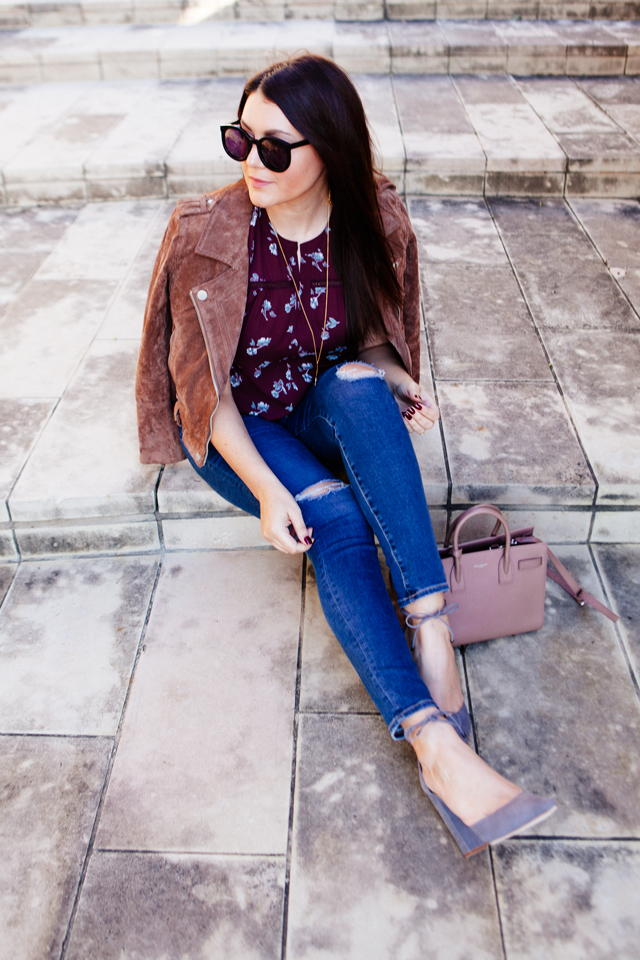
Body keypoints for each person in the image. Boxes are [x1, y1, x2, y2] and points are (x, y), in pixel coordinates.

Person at [135, 53, 555, 857]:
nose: (253, 163)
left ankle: (432, 623)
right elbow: (206, 391)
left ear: (330, 147)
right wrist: (265, 490)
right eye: (240, 141)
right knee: (332, 514)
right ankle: (432, 740)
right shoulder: (207, 235)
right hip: (242, 430)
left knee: (362, 384)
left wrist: (401, 381)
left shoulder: (373, 219)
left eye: (276, 148)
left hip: (318, 404)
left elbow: (369, 340)